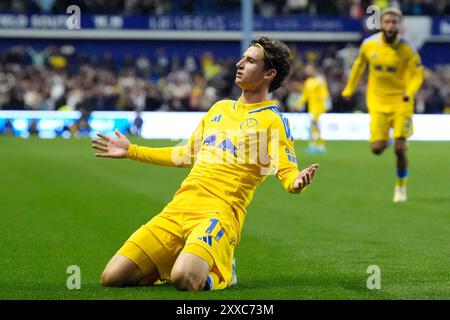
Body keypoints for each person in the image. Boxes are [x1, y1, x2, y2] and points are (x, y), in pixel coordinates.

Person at [91, 36, 320, 291]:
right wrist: (132, 151)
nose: (239, 63)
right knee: (112, 277)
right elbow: (185, 155)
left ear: (269, 73)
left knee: (185, 279)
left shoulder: (272, 121)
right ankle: (187, 256)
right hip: (178, 208)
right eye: (242, 58)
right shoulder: (219, 108)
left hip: (218, 215)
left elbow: (288, 173)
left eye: (250, 60)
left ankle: (222, 272)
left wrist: (297, 182)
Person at [341, 8, 423, 202]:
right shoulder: (369, 45)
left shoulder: (408, 49)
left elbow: (417, 74)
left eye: (394, 22)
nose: (391, 26)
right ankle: (394, 139)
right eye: (387, 22)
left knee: (400, 149)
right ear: (381, 24)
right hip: (377, 103)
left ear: (399, 25)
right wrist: (349, 89)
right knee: (377, 148)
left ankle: (401, 187)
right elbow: (359, 66)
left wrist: (409, 93)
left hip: (401, 102)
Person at [294, 64, 330, 154]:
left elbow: (325, 94)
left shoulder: (320, 81)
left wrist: (324, 106)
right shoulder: (308, 82)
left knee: (314, 126)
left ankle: (316, 145)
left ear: (314, 70)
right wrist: (297, 104)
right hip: (311, 109)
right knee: (314, 127)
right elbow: (305, 96)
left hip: (318, 108)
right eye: (306, 70)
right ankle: (318, 145)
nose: (307, 72)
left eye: (309, 70)